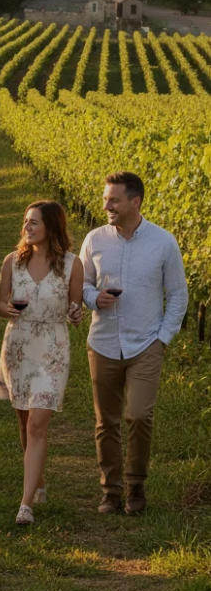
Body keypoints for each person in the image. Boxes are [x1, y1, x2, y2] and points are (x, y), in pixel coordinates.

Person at [80, 171, 188, 516]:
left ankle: (136, 483)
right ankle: (111, 491)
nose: (106, 205)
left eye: (114, 199)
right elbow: (81, 284)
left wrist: (163, 339)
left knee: (139, 415)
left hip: (146, 344)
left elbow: (178, 295)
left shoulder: (163, 242)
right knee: (106, 421)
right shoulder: (94, 239)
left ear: (135, 202)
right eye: (105, 198)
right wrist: (95, 298)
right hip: (103, 342)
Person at [0, 201, 84, 525]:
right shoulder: (12, 262)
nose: (27, 228)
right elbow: (1, 306)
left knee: (37, 423)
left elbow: (75, 309)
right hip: (18, 345)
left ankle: (25, 505)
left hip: (52, 346)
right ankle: (39, 481)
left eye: (34, 222)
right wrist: (7, 309)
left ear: (51, 226)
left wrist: (76, 312)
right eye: (25, 222)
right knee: (23, 422)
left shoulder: (72, 265)